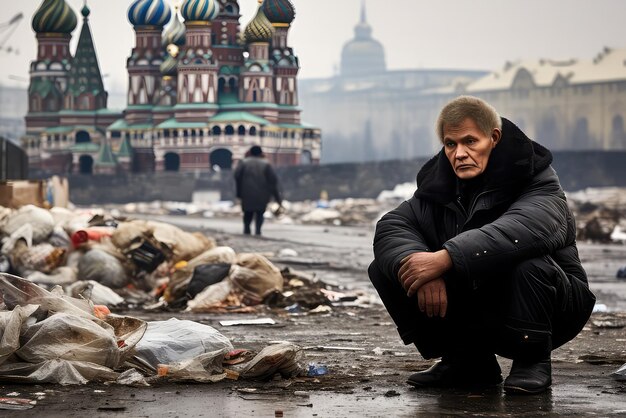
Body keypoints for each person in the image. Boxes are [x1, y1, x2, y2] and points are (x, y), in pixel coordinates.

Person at [368, 96, 596, 394]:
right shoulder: (439, 188)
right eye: (451, 144)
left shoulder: (538, 180)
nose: (459, 153)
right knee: (392, 266)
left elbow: (526, 229)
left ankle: (532, 361)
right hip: (483, 300)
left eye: (470, 142)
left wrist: (445, 258)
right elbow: (392, 225)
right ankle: (468, 362)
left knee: (525, 260)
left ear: (494, 138)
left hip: (556, 303)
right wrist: (420, 265)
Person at [234, 145, 282, 235]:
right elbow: (273, 181)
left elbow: (237, 177)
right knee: (260, 213)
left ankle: (247, 230)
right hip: (263, 194)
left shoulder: (243, 163)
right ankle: (258, 231)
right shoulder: (266, 164)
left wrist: (239, 193)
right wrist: (277, 198)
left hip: (246, 193)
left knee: (247, 213)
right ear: (261, 153)